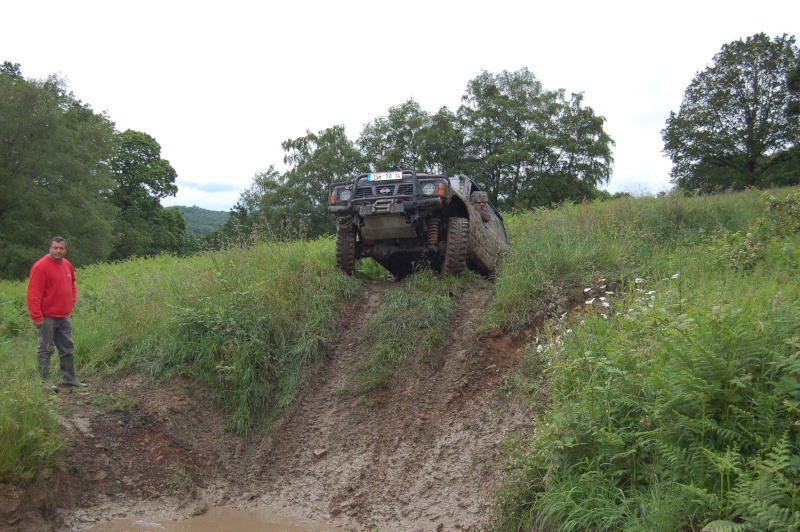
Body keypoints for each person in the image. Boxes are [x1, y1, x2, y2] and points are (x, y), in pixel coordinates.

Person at [26, 237, 86, 393]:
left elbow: (72, 285)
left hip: (63, 316)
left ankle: (69, 379)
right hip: (46, 317)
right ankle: (43, 383)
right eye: (55, 248)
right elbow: (34, 293)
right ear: (50, 248)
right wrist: (36, 316)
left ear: (65, 250)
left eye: (62, 248)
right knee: (45, 349)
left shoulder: (67, 265)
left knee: (67, 348)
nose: (59, 251)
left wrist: (71, 302)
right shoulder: (41, 266)